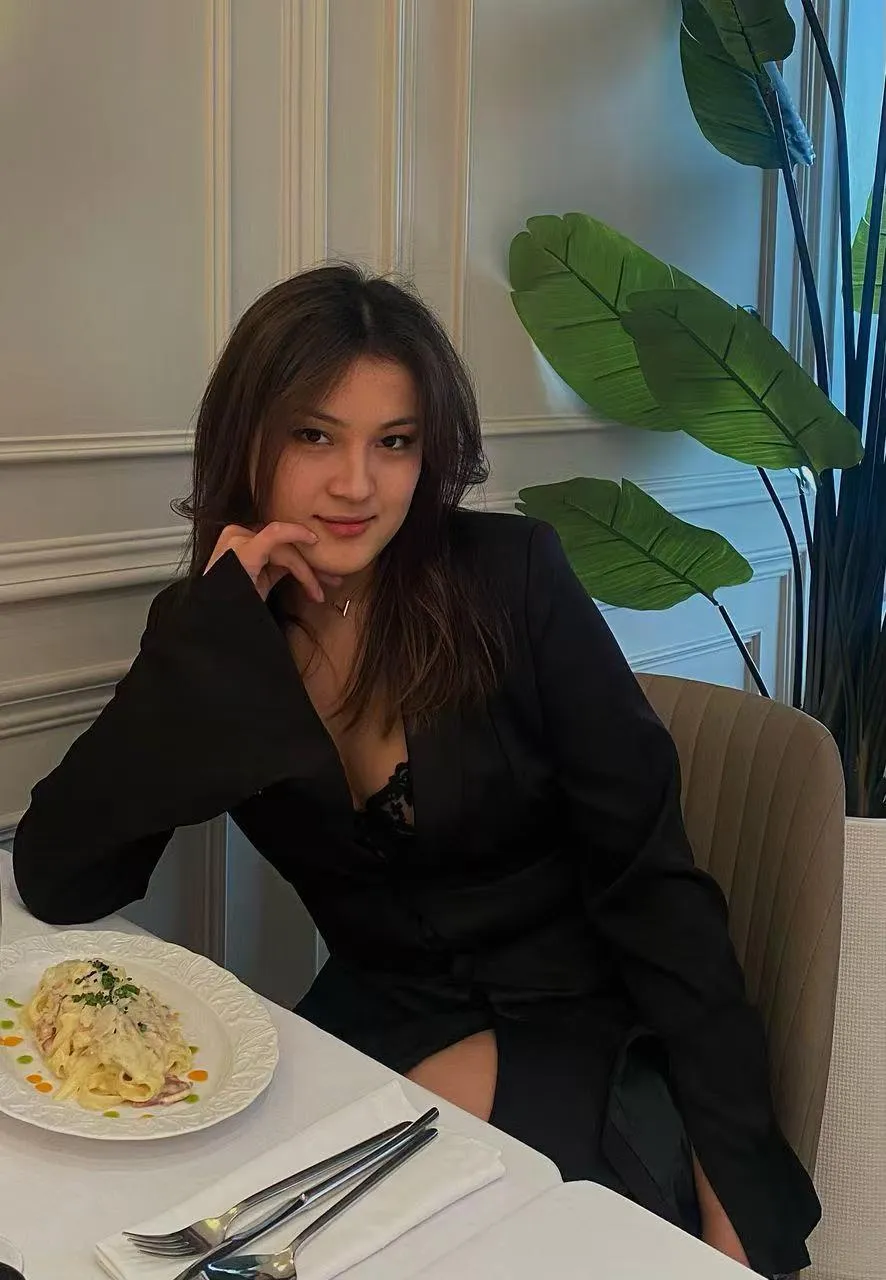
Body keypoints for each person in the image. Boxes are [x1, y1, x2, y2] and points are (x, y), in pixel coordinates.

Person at [13, 264, 818, 1276]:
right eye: (315, 436)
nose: (357, 483)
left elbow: (657, 889)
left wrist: (738, 1211)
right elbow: (61, 875)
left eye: (393, 441)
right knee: (178, 1231)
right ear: (246, 441)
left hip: (583, 1023)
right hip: (373, 1021)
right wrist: (203, 643)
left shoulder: (513, 579)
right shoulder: (217, 626)